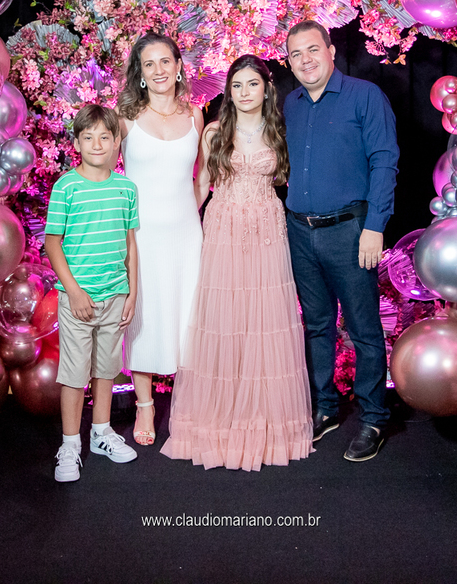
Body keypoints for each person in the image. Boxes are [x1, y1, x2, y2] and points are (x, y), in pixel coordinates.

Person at [161, 55, 313, 470]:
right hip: (223, 229)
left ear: (267, 88)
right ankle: (218, 420)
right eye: (237, 85)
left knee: (265, 320)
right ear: (228, 92)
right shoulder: (214, 131)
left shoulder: (281, 130)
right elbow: (201, 186)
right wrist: (173, 229)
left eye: (252, 84)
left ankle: (265, 422)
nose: (245, 92)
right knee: (223, 320)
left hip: (266, 232)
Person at [284, 20, 399, 463]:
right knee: (317, 325)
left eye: (313, 49)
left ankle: (374, 418)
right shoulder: (291, 103)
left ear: (331, 51)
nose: (306, 60)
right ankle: (326, 408)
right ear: (289, 62)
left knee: (363, 329)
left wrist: (375, 225)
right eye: (296, 54)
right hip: (300, 231)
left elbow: (385, 161)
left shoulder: (364, 96)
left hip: (350, 231)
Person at [44, 104, 141, 482]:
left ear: (117, 142)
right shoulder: (66, 187)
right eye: (88, 137)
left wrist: (131, 292)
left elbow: (130, 244)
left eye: (105, 137)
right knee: (74, 374)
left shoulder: (126, 189)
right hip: (78, 300)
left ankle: (101, 432)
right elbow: (53, 243)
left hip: (116, 294)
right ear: (77, 143)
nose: (97, 144)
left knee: (106, 369)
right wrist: (74, 291)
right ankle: (70, 443)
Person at [118, 32, 205, 445]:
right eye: (149, 64)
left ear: (178, 66)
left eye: (165, 61)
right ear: (140, 72)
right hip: (141, 236)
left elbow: (202, 177)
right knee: (145, 317)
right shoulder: (124, 118)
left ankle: (191, 404)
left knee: (190, 316)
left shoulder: (197, 115)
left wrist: (189, 212)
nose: (158, 70)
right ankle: (145, 406)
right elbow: (105, 177)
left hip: (188, 234)